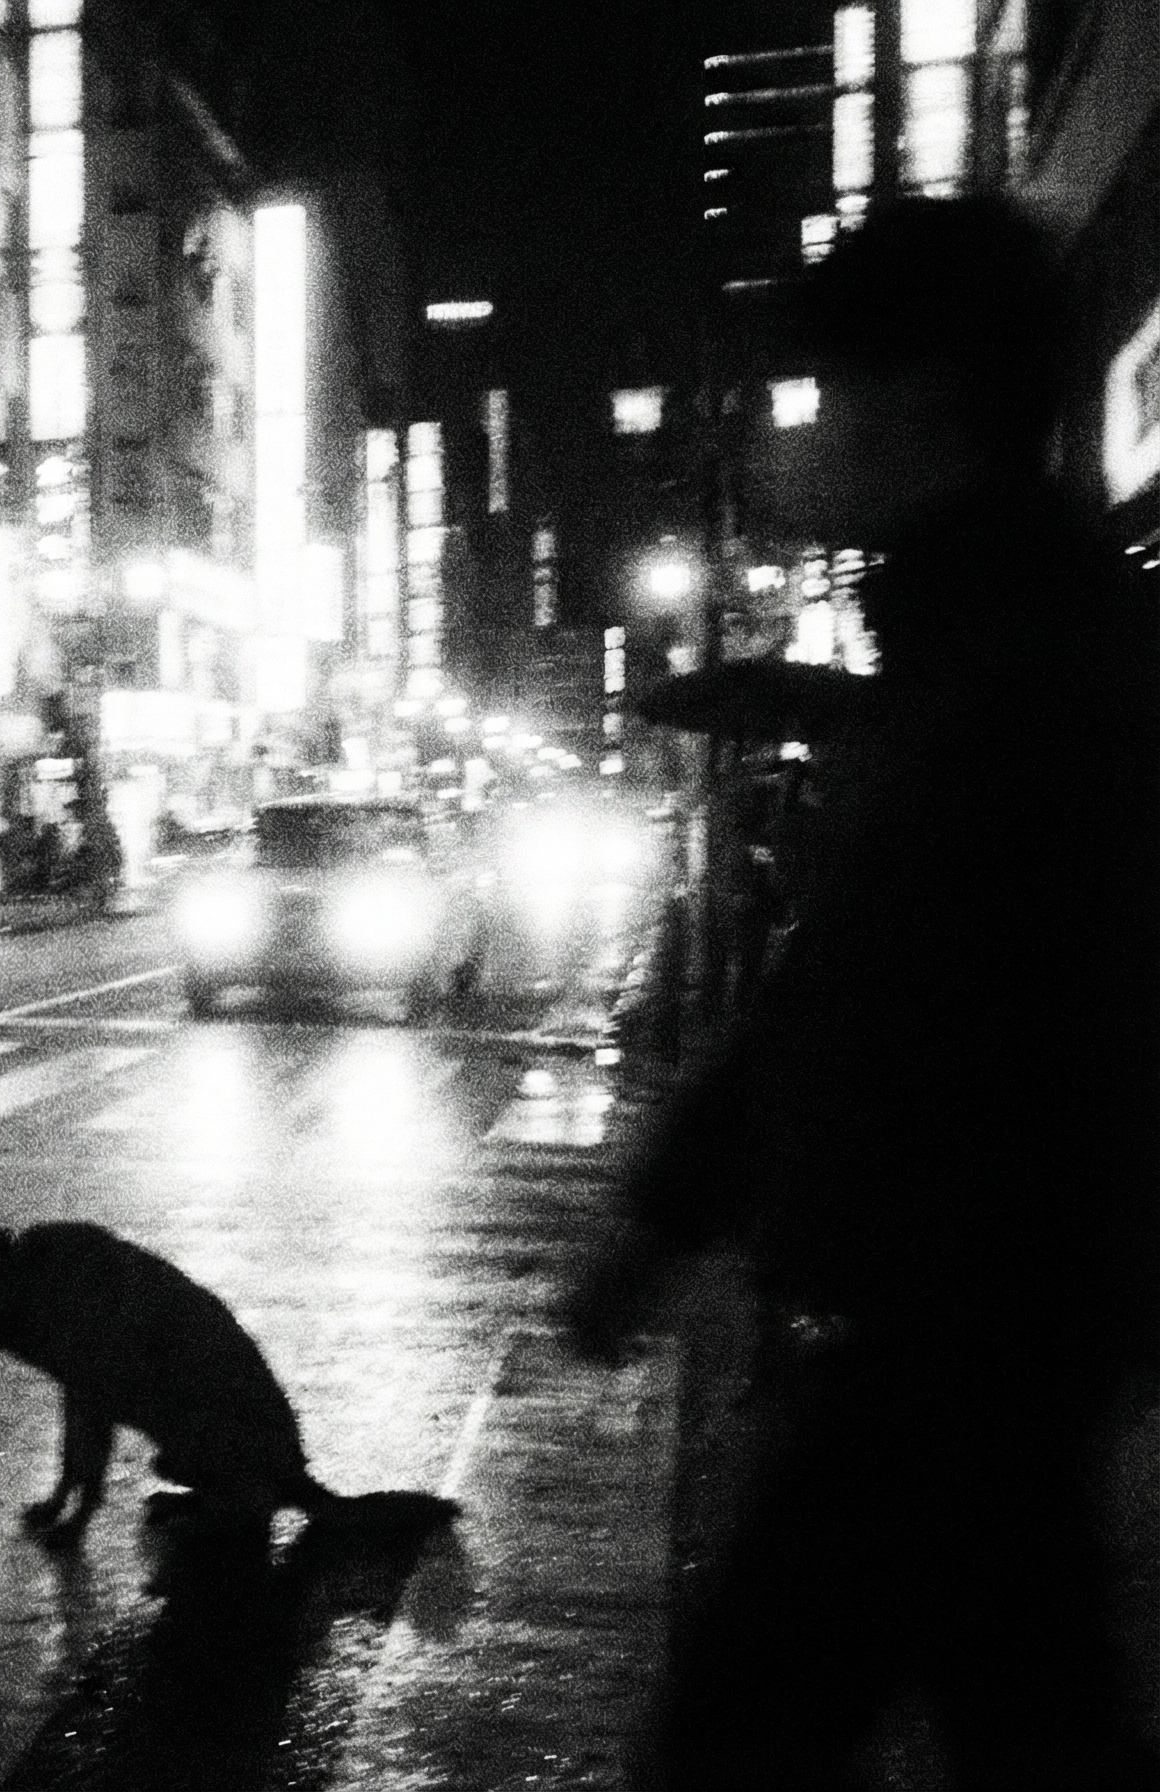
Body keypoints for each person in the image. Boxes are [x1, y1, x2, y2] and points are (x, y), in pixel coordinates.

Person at [562, 198, 1160, 1790]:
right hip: (991, 1336)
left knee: (741, 1744)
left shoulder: (1021, 665)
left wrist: (668, 1222)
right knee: (1035, 1728)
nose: (806, 427)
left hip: (956, 1336)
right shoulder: (1003, 634)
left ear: (924, 396)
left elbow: (870, 986)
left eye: (829, 388)